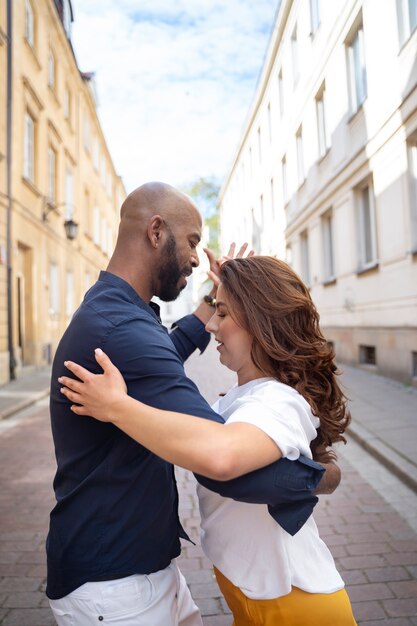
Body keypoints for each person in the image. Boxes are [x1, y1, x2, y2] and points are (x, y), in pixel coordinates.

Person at [47, 181, 338, 626]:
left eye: (226, 313)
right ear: (156, 231)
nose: (198, 258)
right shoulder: (124, 328)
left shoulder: (120, 310)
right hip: (116, 586)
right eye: (193, 242)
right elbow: (222, 457)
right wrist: (325, 475)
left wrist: (213, 300)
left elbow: (164, 349)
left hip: (138, 568)